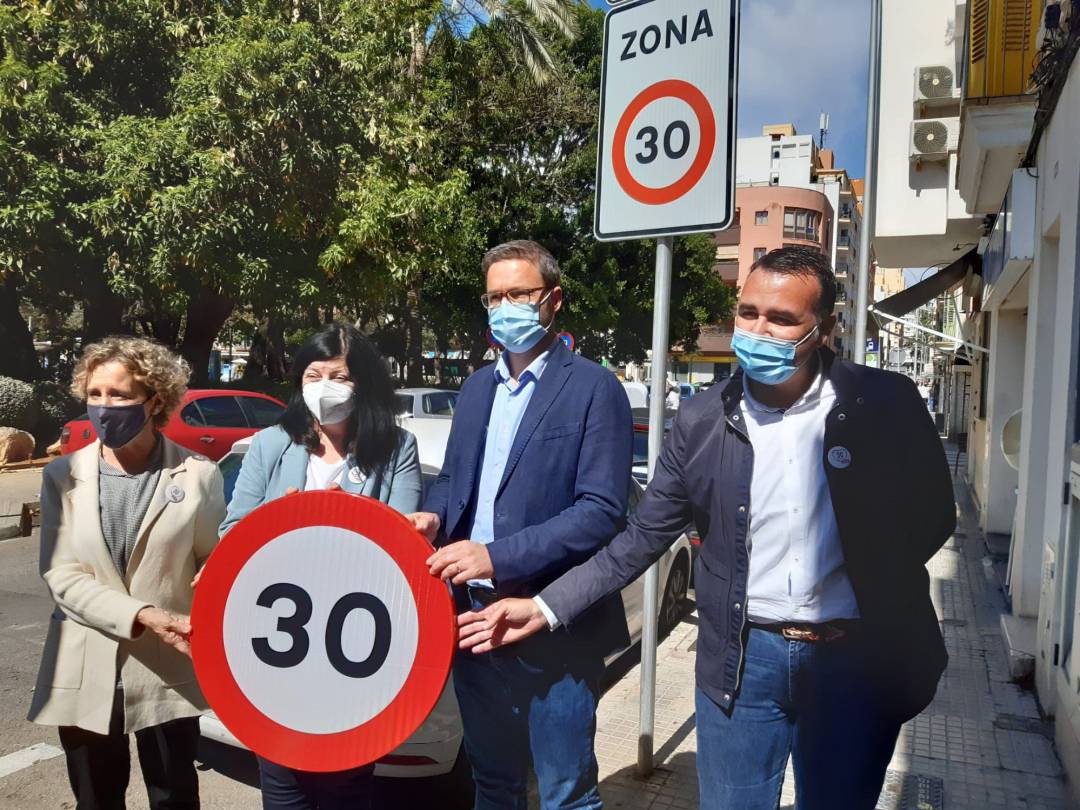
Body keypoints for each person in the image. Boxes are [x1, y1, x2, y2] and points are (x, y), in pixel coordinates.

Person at [459, 246, 956, 810]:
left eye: (781, 318)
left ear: (824, 328)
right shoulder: (701, 419)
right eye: (748, 312)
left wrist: (868, 577)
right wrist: (545, 607)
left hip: (853, 660)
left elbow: (933, 516)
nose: (758, 330)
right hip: (742, 663)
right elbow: (640, 538)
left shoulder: (884, 403)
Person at [407, 239, 633, 810]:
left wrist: (496, 555)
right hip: (473, 621)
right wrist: (436, 514)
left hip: (552, 627)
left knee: (566, 795)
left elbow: (602, 511)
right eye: (494, 297)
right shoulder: (476, 388)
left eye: (519, 294)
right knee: (493, 784)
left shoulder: (594, 387)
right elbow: (454, 479)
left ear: (553, 299)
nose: (505, 307)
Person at [220, 323, 421, 810]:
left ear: (365, 383)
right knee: (282, 785)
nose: (324, 387)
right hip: (278, 644)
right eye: (313, 375)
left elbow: (403, 548)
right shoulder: (271, 444)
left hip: (355, 649)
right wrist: (283, 521)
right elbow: (233, 534)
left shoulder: (397, 448)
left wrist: (344, 517)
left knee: (346, 787)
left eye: (339, 376)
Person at [28, 336, 226, 810]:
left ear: (154, 400)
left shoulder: (198, 474)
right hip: (84, 664)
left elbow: (212, 561)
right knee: (95, 799)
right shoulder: (62, 476)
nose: (103, 406)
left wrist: (214, 575)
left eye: (119, 395)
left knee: (174, 796)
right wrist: (144, 614)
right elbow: (61, 575)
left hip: (166, 667)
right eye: (94, 394)